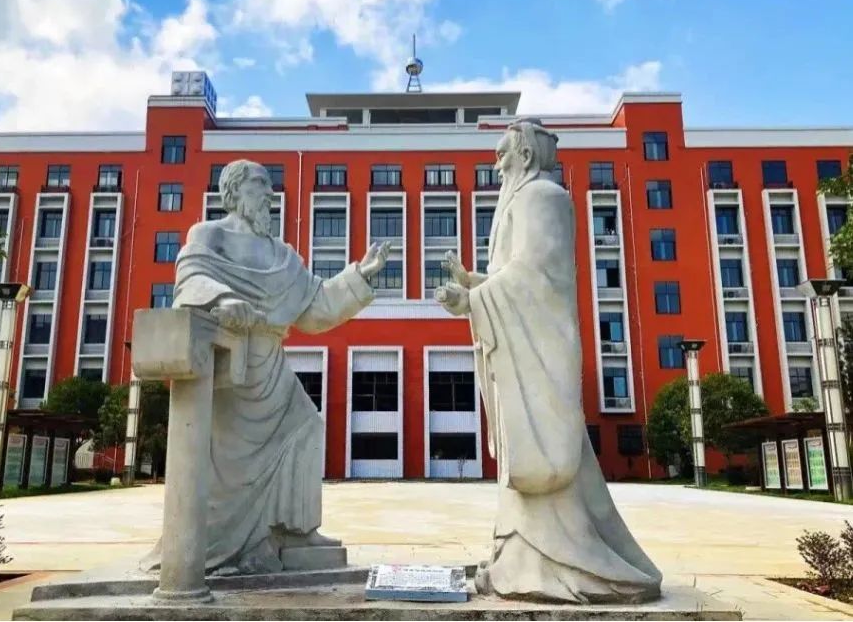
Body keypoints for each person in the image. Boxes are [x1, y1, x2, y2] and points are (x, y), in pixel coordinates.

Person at [437, 120, 662, 603]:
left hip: (540, 351)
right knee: (525, 463)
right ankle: (521, 561)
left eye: (502, 154)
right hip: (520, 346)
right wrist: (474, 284)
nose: (496, 165)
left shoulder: (543, 198)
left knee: (548, 457)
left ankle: (562, 564)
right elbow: (512, 276)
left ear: (524, 155)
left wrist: (473, 300)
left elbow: (536, 276)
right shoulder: (522, 201)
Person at [142, 159, 390, 575]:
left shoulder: (282, 255)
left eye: (269, 186)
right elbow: (189, 280)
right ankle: (224, 546)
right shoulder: (210, 235)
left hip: (271, 364)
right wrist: (223, 299)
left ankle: (295, 532)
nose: (270, 194)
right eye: (260, 184)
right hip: (231, 368)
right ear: (234, 190)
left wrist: (360, 276)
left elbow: (315, 308)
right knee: (228, 472)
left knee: (305, 426)